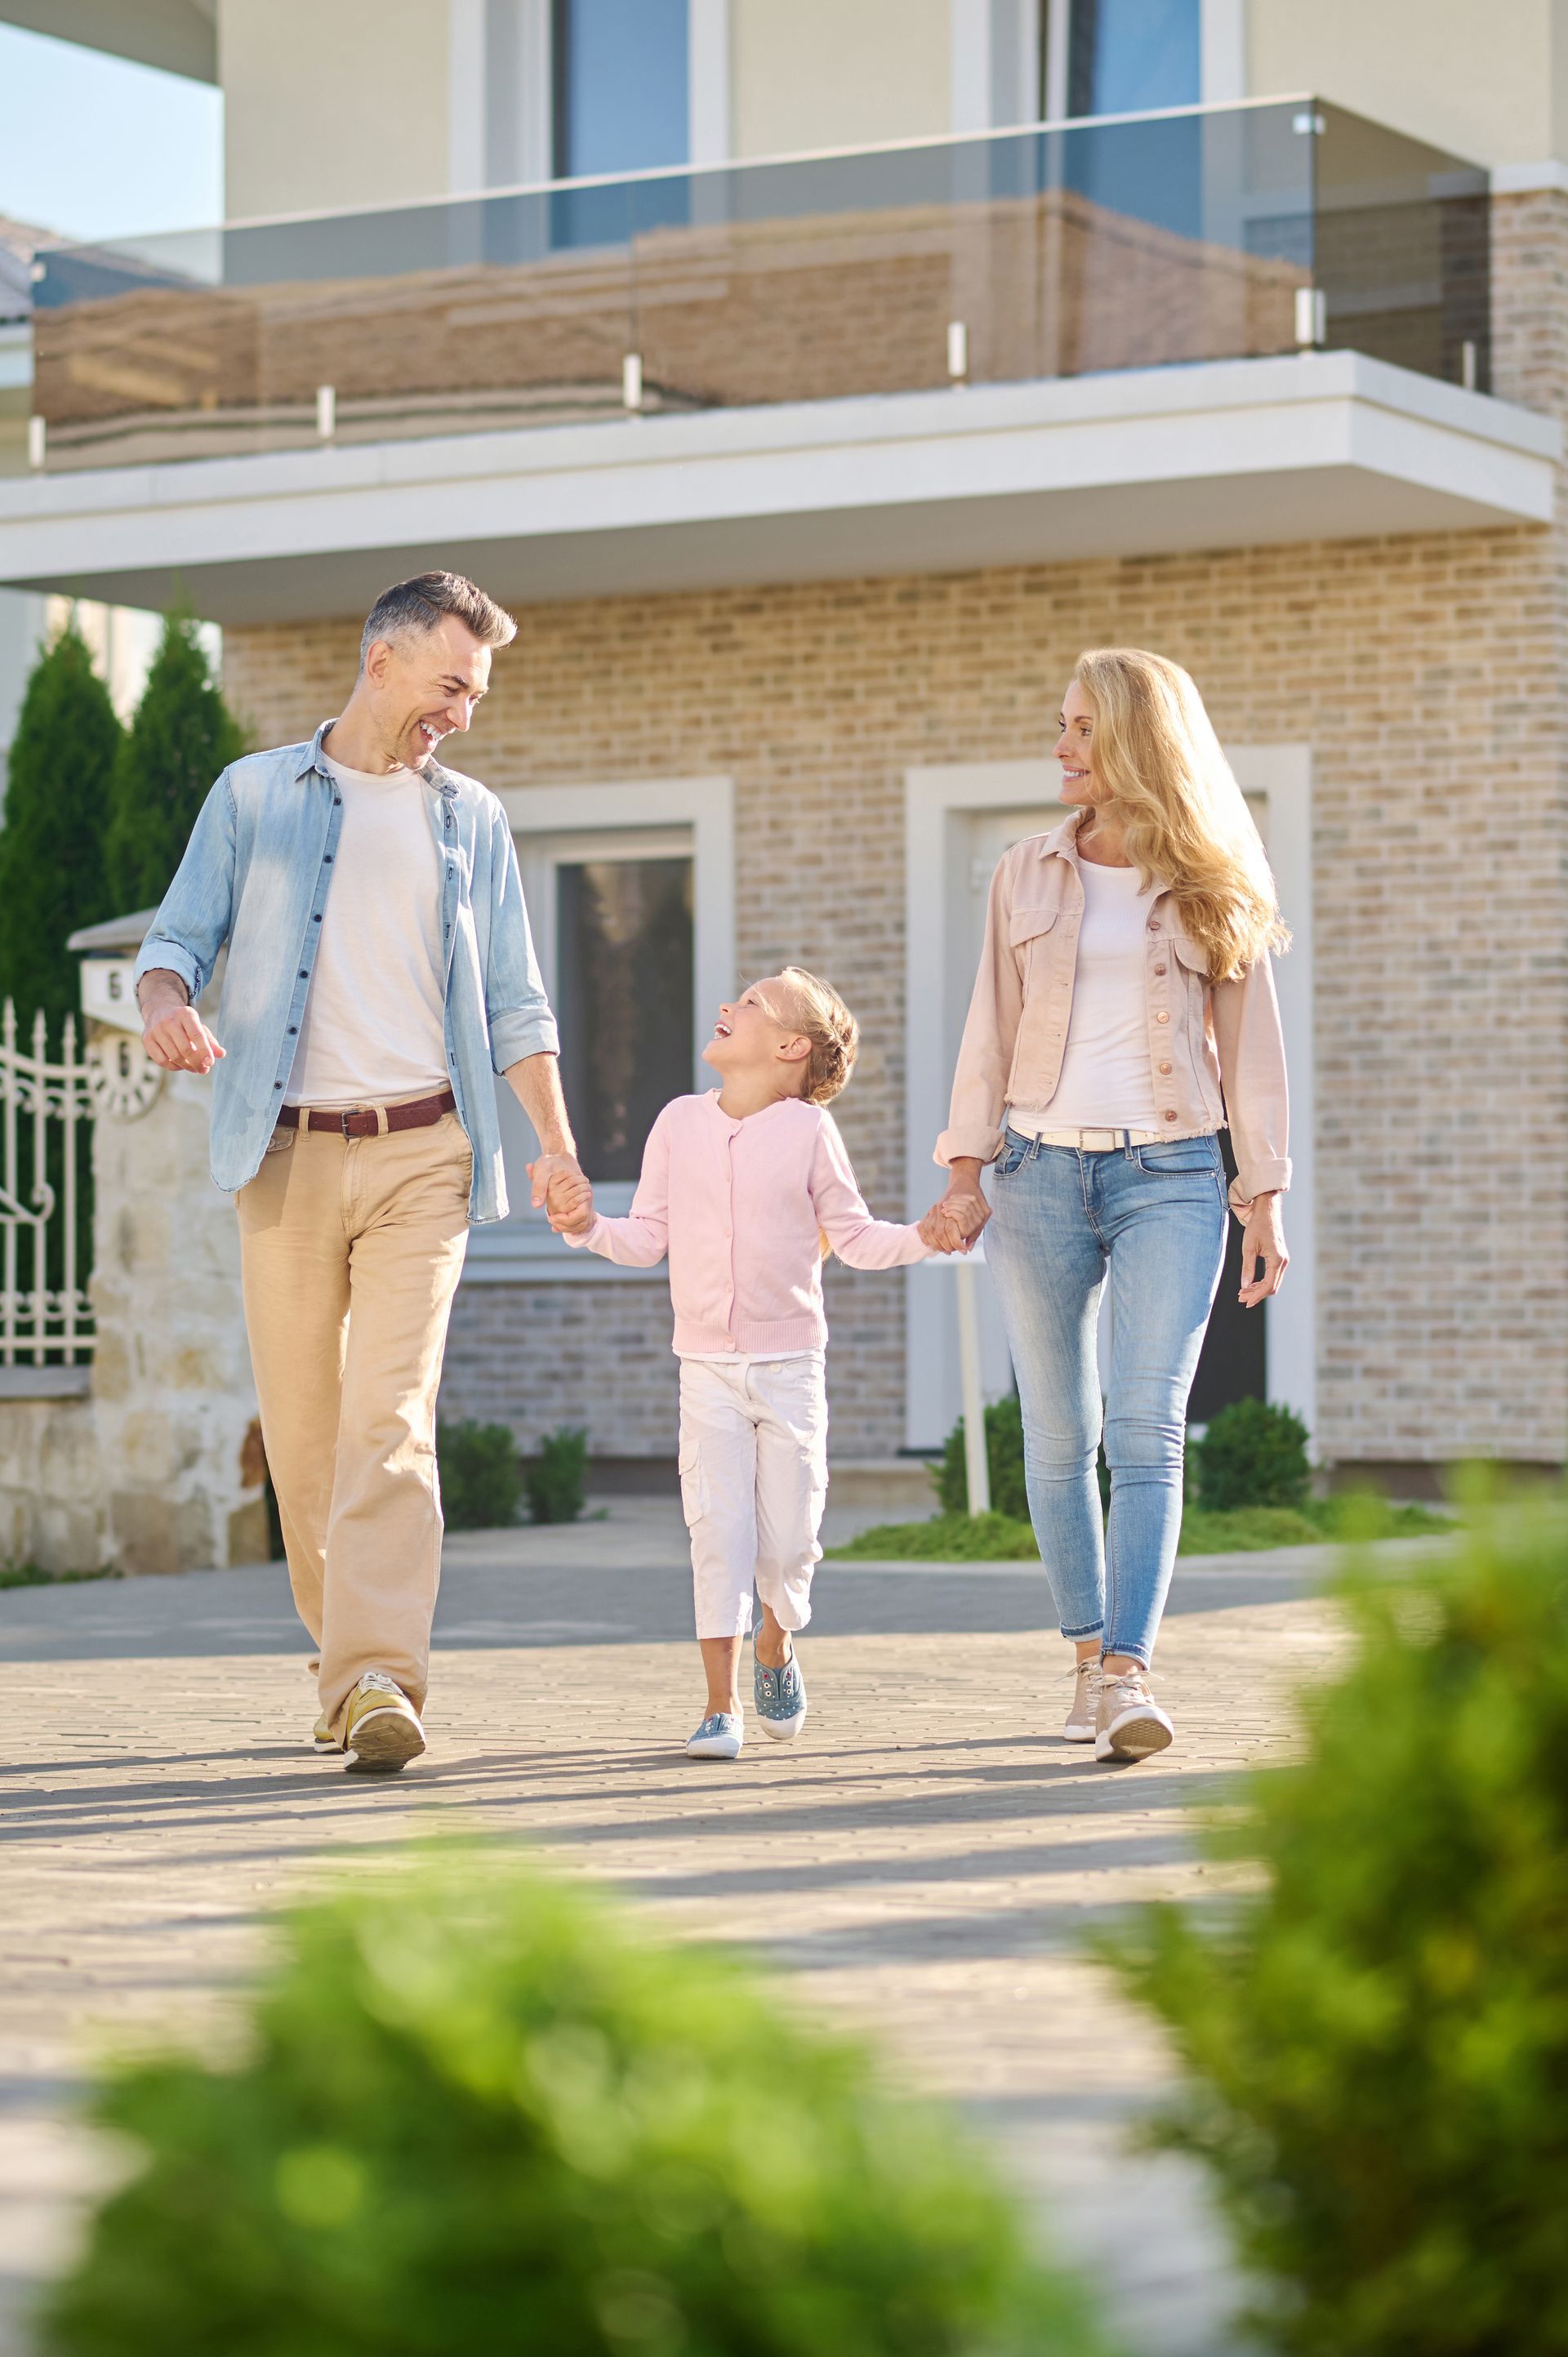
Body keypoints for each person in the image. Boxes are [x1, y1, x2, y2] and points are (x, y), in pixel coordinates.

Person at [135, 572, 587, 1772]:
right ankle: (343, 1672)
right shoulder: (254, 795)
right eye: (452, 684)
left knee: (389, 1420)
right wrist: (165, 1002)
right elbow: (176, 938)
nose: (464, 712)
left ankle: (380, 1673)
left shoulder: (469, 819)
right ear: (380, 659)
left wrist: (556, 1144)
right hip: (283, 1154)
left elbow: (516, 1000)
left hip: (423, 1155)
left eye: (478, 692)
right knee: (305, 1437)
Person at [926, 648, 1290, 1763]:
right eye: (1063, 726)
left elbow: (1254, 1050)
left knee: (1146, 1428)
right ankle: (1085, 1659)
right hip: (1038, 1170)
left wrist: (1263, 1192)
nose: (1061, 748)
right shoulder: (1024, 870)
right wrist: (963, 1165)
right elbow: (988, 1019)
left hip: (1172, 1176)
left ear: (1136, 737)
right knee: (1056, 1435)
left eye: (1080, 727)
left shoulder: (1215, 874)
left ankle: (1131, 1672)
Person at [544, 969, 930, 1758]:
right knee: (714, 1530)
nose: (727, 1007)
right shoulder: (678, 1123)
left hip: (790, 1367)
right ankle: (720, 1707)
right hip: (706, 1370)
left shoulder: (810, 1132)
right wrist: (585, 1226)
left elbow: (854, 1238)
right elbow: (646, 1236)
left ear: (790, 1046)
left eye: (750, 1003)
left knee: (790, 1539)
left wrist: (932, 1234)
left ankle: (775, 1646)